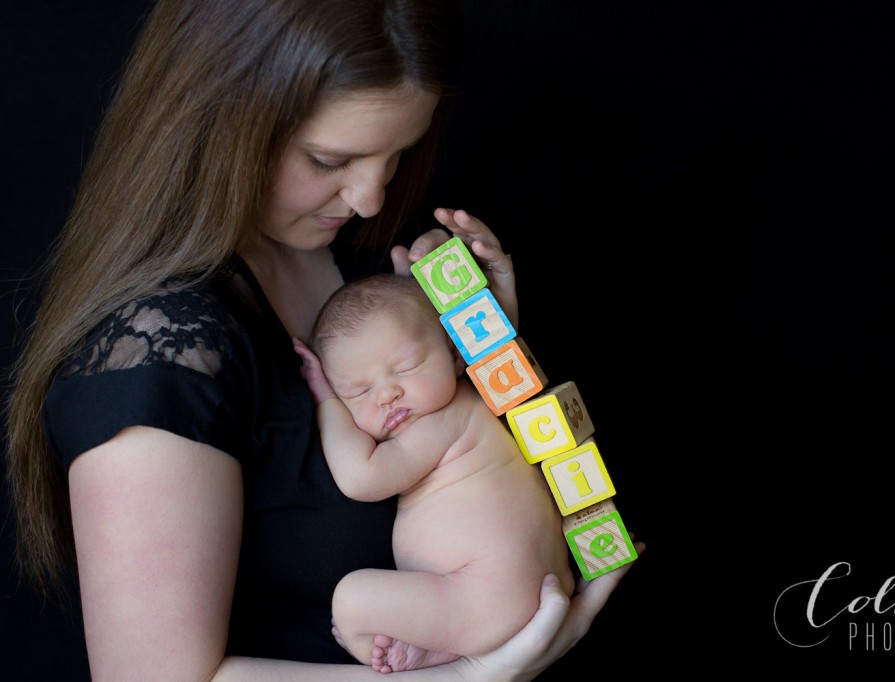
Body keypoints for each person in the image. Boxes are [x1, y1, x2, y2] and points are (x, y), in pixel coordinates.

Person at [3, 0, 641, 679]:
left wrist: (489, 351)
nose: (370, 197)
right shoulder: (159, 355)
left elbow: (493, 471)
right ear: (218, 121)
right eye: (329, 159)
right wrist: (465, 679)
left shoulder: (375, 262)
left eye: (397, 155)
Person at [292, 273, 576, 673]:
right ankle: (439, 647)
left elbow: (361, 478)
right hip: (532, 585)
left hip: (486, 596)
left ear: (456, 354)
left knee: (350, 602)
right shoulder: (481, 400)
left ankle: (442, 654)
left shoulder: (442, 420)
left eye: (405, 368)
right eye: (357, 392)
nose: (387, 394)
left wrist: (327, 402)